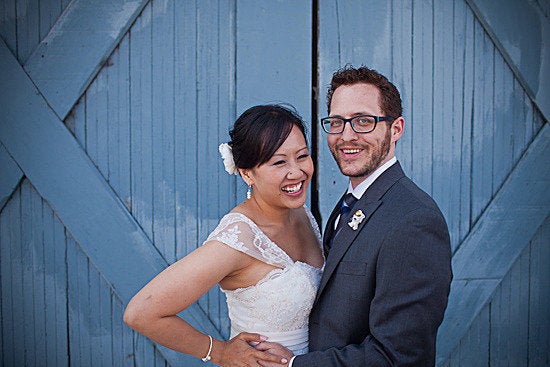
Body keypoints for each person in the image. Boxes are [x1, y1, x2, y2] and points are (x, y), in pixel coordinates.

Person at [255, 66, 453, 366]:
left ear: (396, 128)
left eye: (363, 121)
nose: (346, 136)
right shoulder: (352, 202)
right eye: (337, 122)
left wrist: (294, 365)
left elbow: (397, 357)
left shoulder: (414, 220)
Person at [124, 104, 324, 366]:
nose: (297, 172)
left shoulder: (302, 214)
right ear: (246, 173)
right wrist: (219, 352)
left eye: (302, 156)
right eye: (279, 162)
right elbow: (141, 313)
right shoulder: (237, 239)